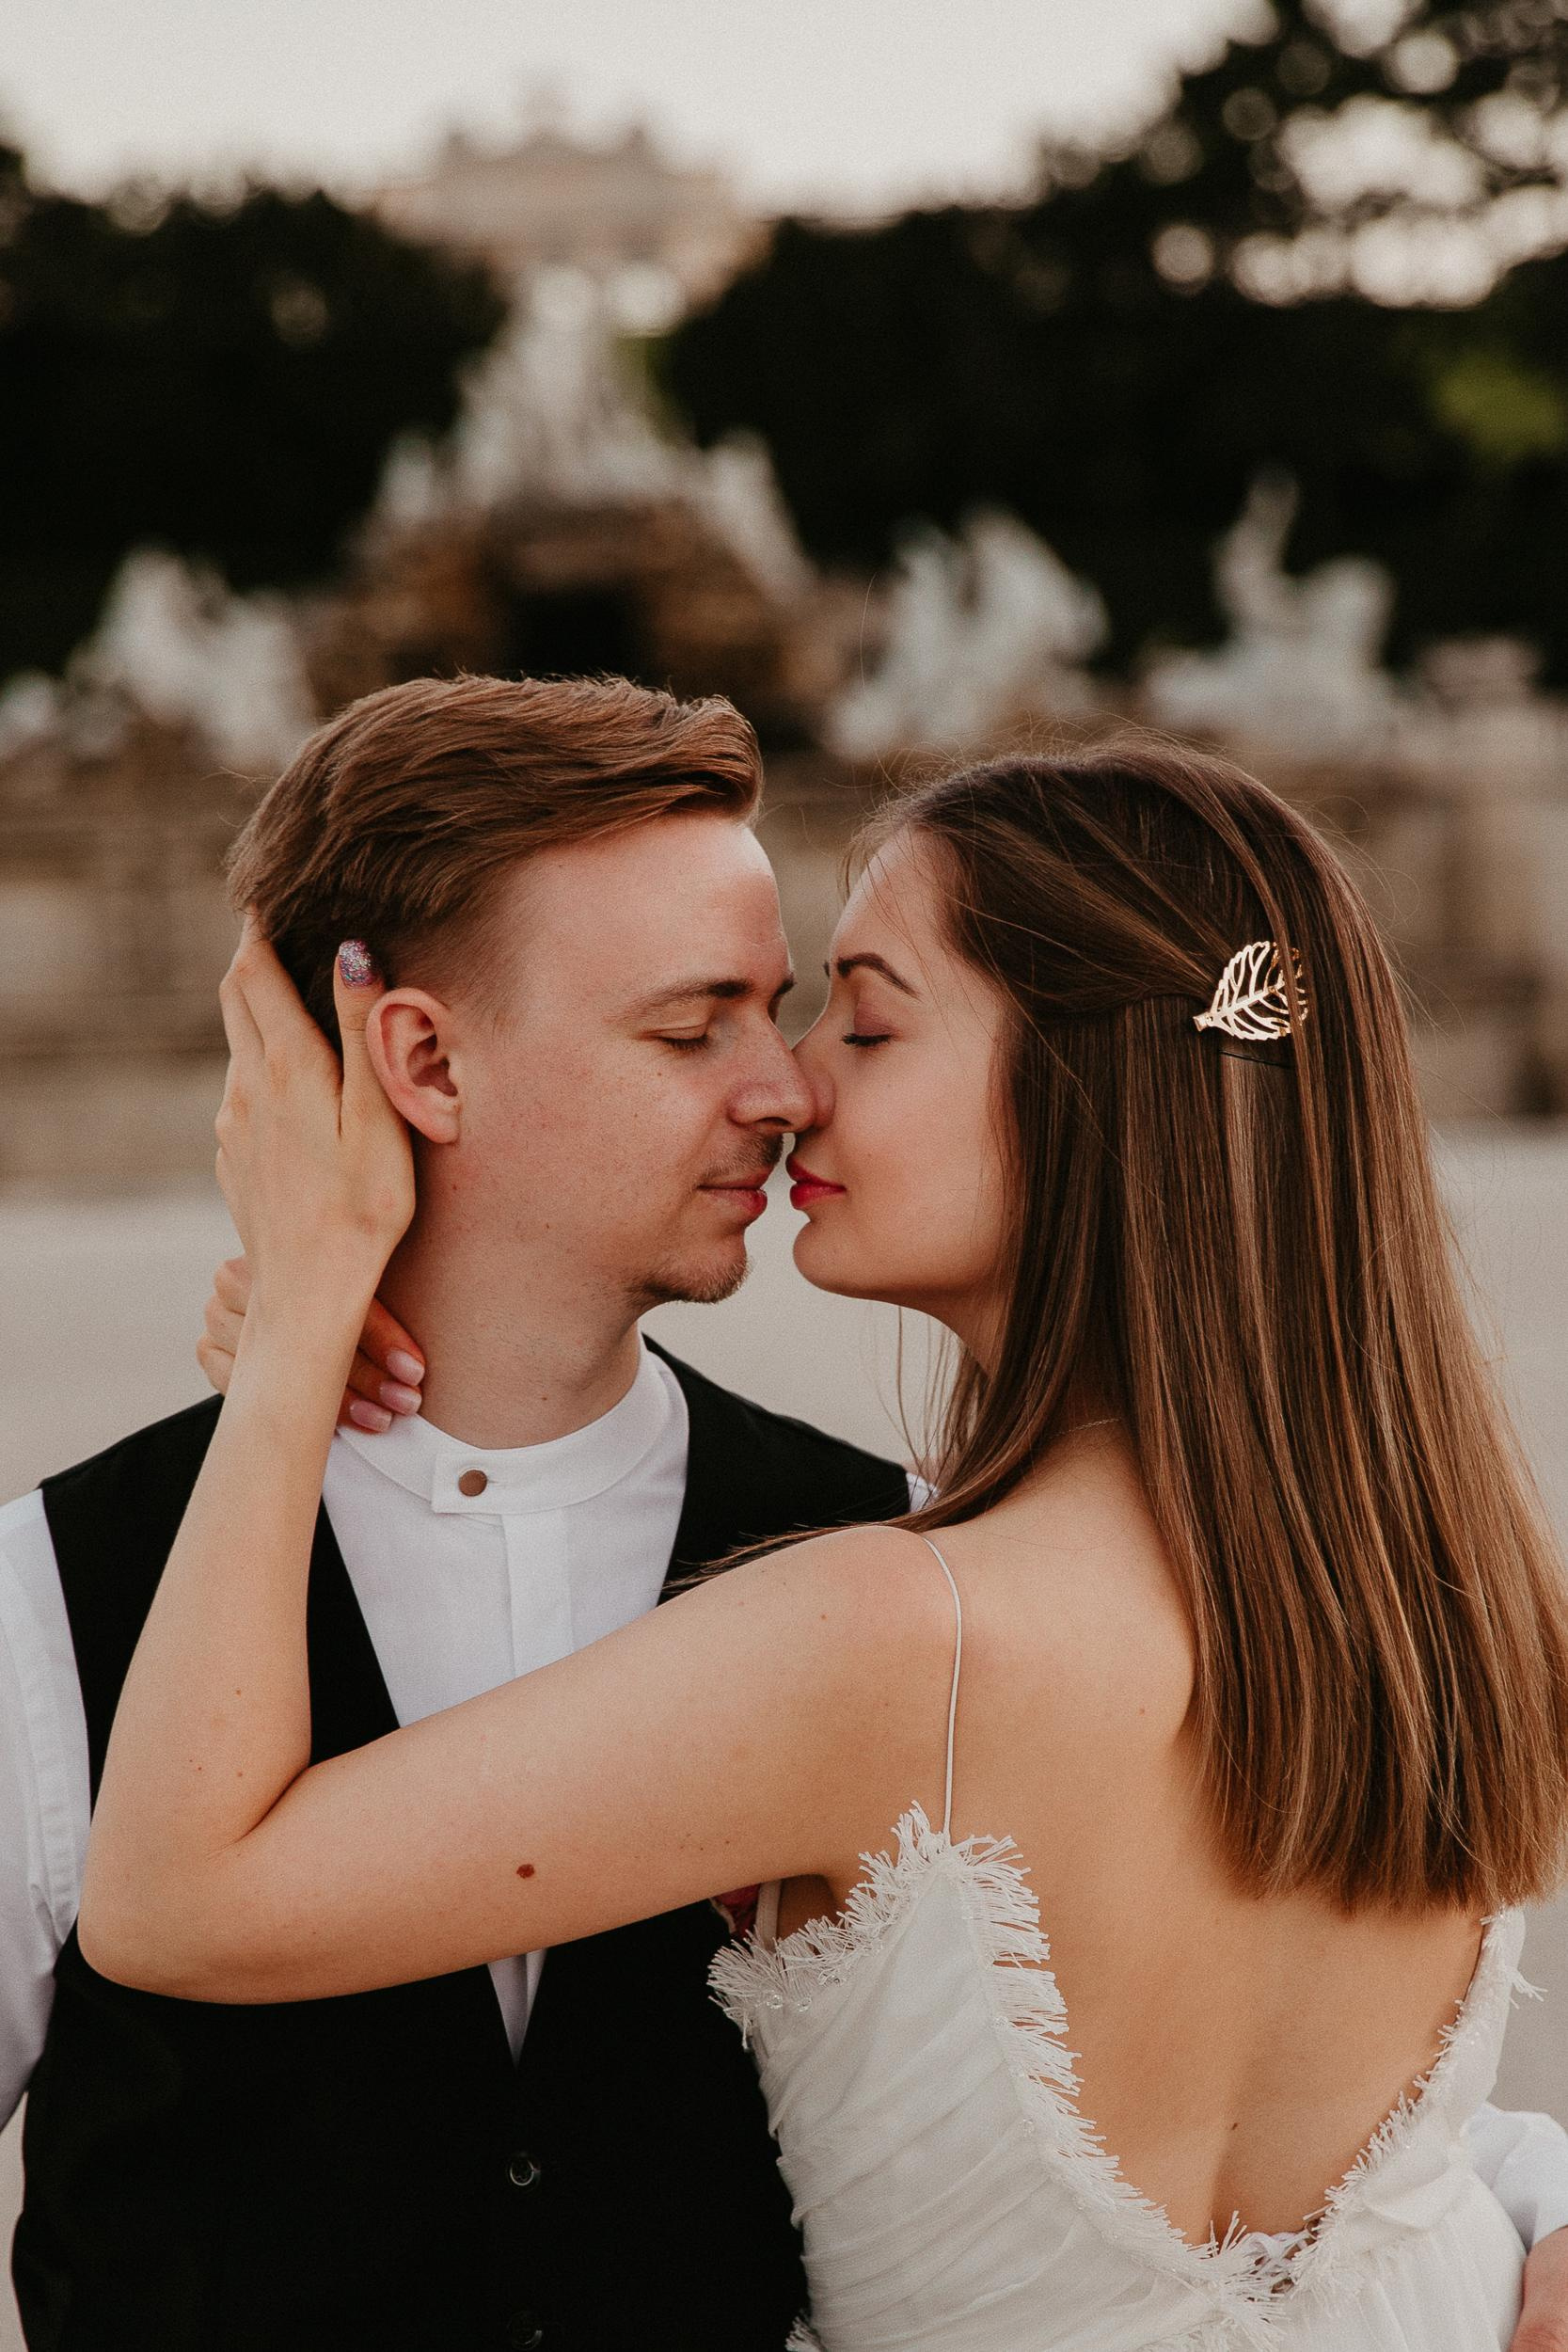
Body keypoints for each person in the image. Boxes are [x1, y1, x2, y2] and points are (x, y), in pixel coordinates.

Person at [75, 736, 1568, 2349]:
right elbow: (1382, 2178)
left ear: (1086, 1090)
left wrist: (305, 1313)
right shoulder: (1451, 1603)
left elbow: (174, 1905)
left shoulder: (886, 1636)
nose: (794, 1085)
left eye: (864, 1017)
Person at [0, 674, 912, 2352]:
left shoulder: (896, 1550)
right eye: (690, 1020)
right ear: (421, 1056)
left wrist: (1552, 2207)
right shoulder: (49, 1594)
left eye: (769, 1009)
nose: (782, 1093)